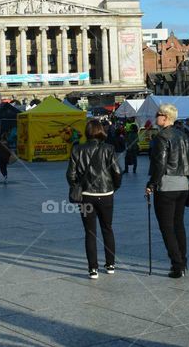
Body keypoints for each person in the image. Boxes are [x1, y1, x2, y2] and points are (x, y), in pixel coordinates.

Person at [67, 119, 122, 279]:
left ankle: (93, 269)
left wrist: (77, 186)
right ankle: (110, 264)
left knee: (90, 232)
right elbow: (117, 171)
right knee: (108, 228)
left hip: (86, 196)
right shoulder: (109, 149)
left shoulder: (77, 149)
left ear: (87, 132)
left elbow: (70, 174)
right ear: (101, 131)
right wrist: (114, 187)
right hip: (106, 194)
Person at [145, 103, 189, 279]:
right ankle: (184, 262)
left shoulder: (161, 137)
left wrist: (151, 184)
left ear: (165, 117)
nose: (155, 117)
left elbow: (159, 164)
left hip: (166, 185)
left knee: (167, 227)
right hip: (183, 184)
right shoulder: (183, 135)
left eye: (157, 115)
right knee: (178, 224)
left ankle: (177, 265)